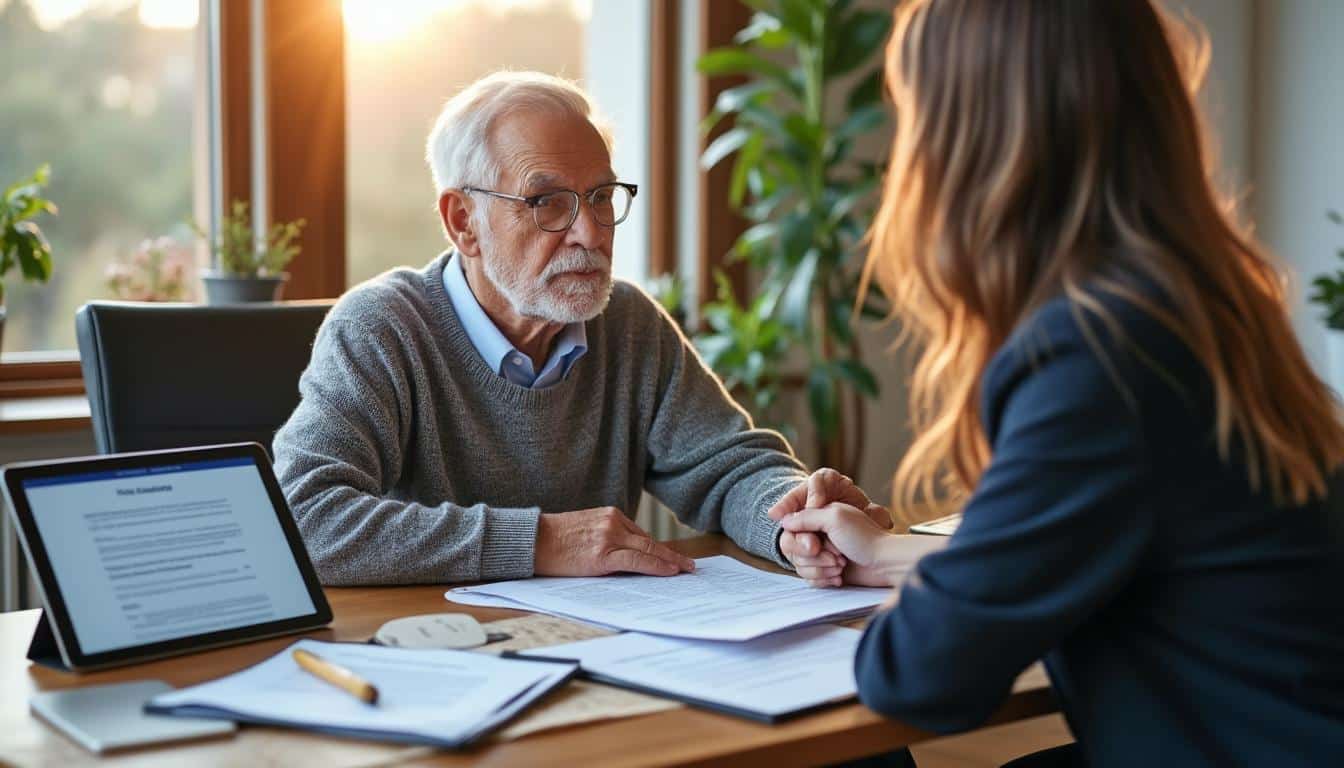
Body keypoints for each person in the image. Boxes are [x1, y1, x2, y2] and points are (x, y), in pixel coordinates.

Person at [769, 0, 1344, 764]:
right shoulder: (1199, 306)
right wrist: (885, 553)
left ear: (967, 138)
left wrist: (931, 587)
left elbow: (919, 676)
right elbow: (1105, 551)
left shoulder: (1093, 359)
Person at [272, 72, 880, 586]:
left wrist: (795, 521)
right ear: (464, 223)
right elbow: (302, 518)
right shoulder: (381, 328)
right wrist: (539, 542)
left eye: (599, 197)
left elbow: (726, 468)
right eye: (548, 203)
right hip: (436, 659)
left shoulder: (630, 324)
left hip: (602, 649)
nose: (590, 233)